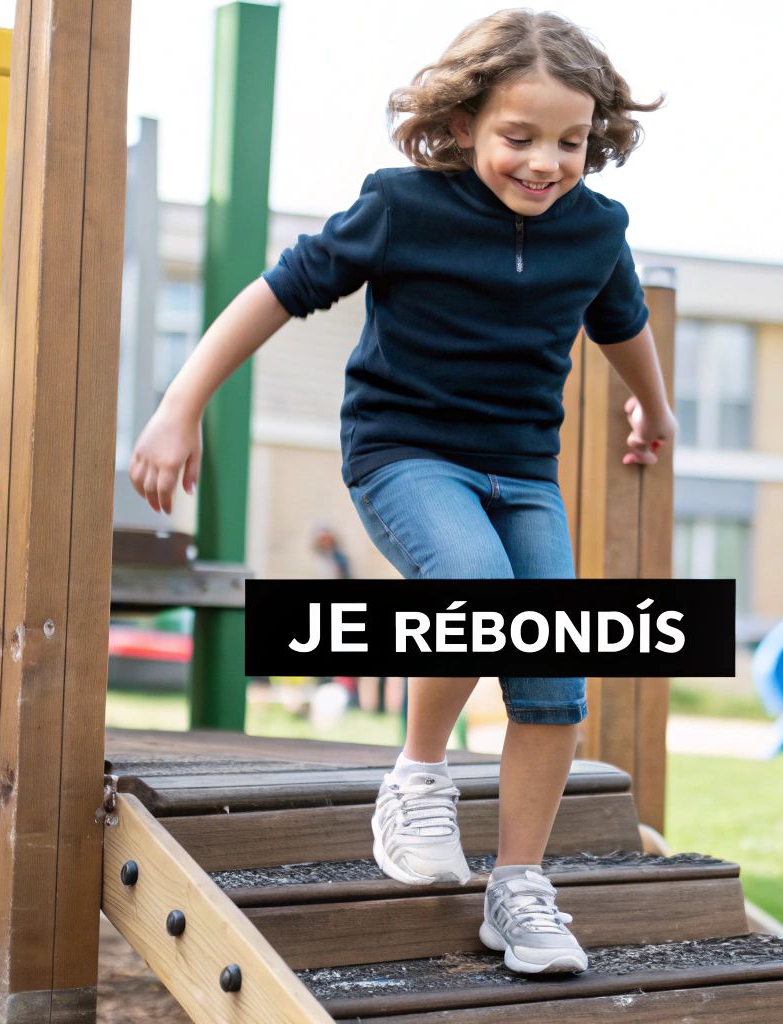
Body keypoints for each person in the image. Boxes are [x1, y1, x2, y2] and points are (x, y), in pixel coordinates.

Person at [128, 8, 672, 976]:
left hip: (520, 471)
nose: (544, 162)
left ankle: (517, 886)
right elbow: (274, 292)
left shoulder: (594, 229)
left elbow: (621, 322)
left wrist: (652, 409)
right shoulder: (400, 205)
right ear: (462, 123)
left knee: (553, 669)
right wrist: (181, 404)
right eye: (519, 137)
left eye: (570, 142)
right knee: (475, 585)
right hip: (403, 452)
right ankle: (416, 776)